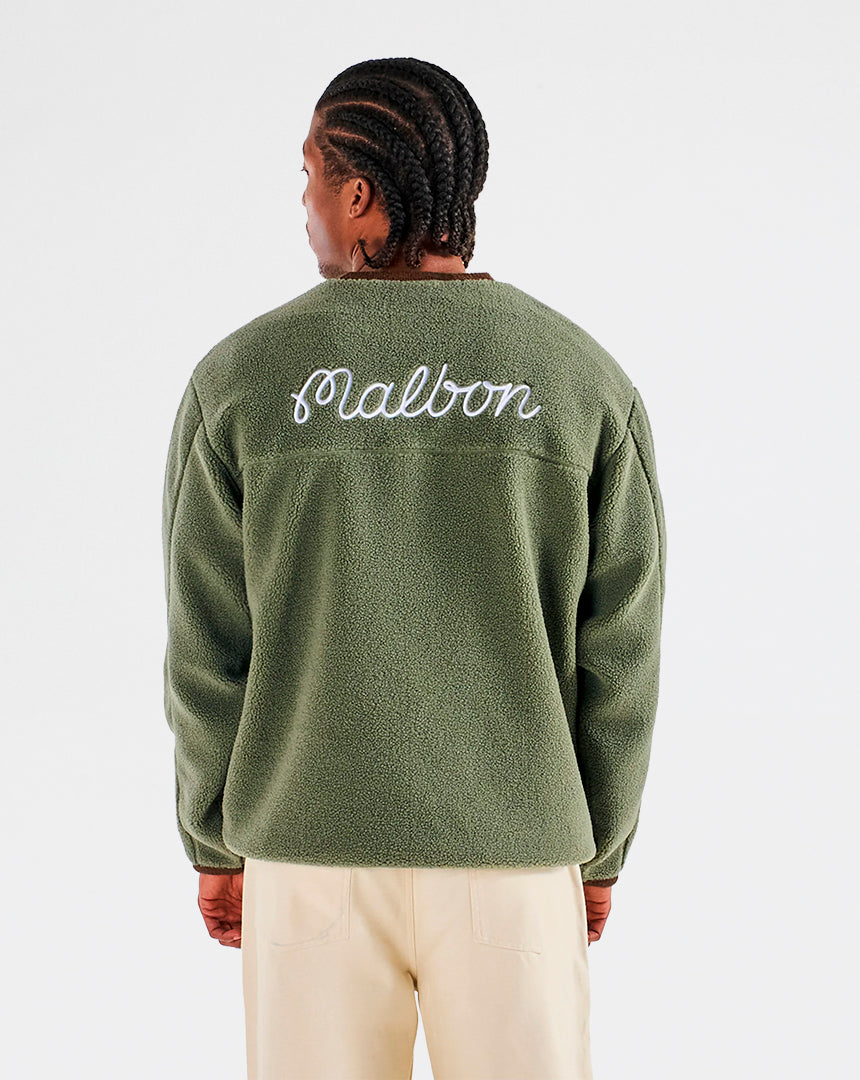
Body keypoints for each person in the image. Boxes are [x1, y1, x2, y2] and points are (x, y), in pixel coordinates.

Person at [162, 56, 667, 1080]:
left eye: (311, 179)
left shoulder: (241, 380)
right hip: (516, 852)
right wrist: (599, 845)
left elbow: (207, 643)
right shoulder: (580, 380)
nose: (306, 207)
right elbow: (620, 646)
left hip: (305, 850)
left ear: (358, 194)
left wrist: (213, 836)